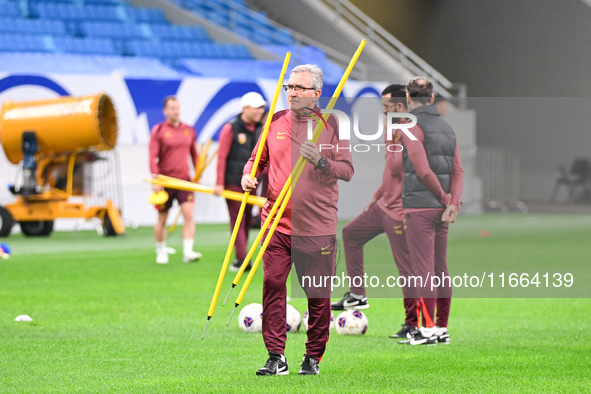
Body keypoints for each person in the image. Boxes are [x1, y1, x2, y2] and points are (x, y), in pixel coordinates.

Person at [242, 64, 353, 376]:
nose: (292, 93)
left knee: (317, 297)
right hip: (276, 223)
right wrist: (248, 176)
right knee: (273, 285)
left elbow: (346, 170)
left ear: (316, 94)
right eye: (290, 87)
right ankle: (276, 356)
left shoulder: (331, 125)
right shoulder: (274, 121)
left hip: (317, 228)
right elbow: (256, 159)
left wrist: (320, 160)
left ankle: (313, 357)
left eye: (300, 88)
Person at [330, 84, 418, 339]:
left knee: (406, 269)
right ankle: (358, 294)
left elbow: (400, 168)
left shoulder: (411, 133)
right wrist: (377, 195)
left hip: (400, 212)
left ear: (400, 107)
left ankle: (413, 323)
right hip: (383, 205)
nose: (382, 110)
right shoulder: (393, 130)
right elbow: (390, 172)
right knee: (350, 233)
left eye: (385, 105)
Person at [397, 77, 464, 345]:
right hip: (442, 211)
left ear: (409, 99)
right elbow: (458, 170)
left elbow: (422, 169)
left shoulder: (409, 125)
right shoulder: (447, 127)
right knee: (440, 269)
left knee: (423, 269)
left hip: (420, 208)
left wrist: (445, 197)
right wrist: (452, 203)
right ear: (433, 99)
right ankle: (441, 328)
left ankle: (426, 330)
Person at [214, 92, 267, 272]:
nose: (261, 111)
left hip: (252, 184)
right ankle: (243, 259)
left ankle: (239, 259)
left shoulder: (261, 128)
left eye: (262, 108)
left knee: (245, 222)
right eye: (257, 107)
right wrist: (219, 183)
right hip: (233, 183)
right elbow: (222, 156)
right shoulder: (231, 128)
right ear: (245, 109)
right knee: (237, 220)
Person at [149, 96, 203, 264]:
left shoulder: (189, 130)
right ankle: (161, 250)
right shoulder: (158, 130)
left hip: (184, 181)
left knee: (188, 214)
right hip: (165, 181)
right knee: (162, 218)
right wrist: (156, 180)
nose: (176, 111)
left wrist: (197, 174)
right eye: (172, 108)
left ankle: (188, 252)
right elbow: (152, 157)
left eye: (177, 108)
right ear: (165, 111)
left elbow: (195, 155)